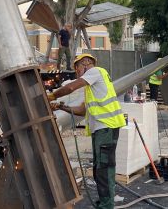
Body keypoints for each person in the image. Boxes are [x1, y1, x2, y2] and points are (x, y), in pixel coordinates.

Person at [47, 54, 125, 209]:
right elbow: (82, 111)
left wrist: (51, 95)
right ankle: (104, 202)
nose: (77, 73)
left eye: (77, 69)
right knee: (99, 169)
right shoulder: (93, 87)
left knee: (103, 170)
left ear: (86, 63)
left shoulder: (95, 71)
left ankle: (107, 205)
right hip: (103, 130)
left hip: (106, 128)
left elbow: (70, 87)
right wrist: (60, 106)